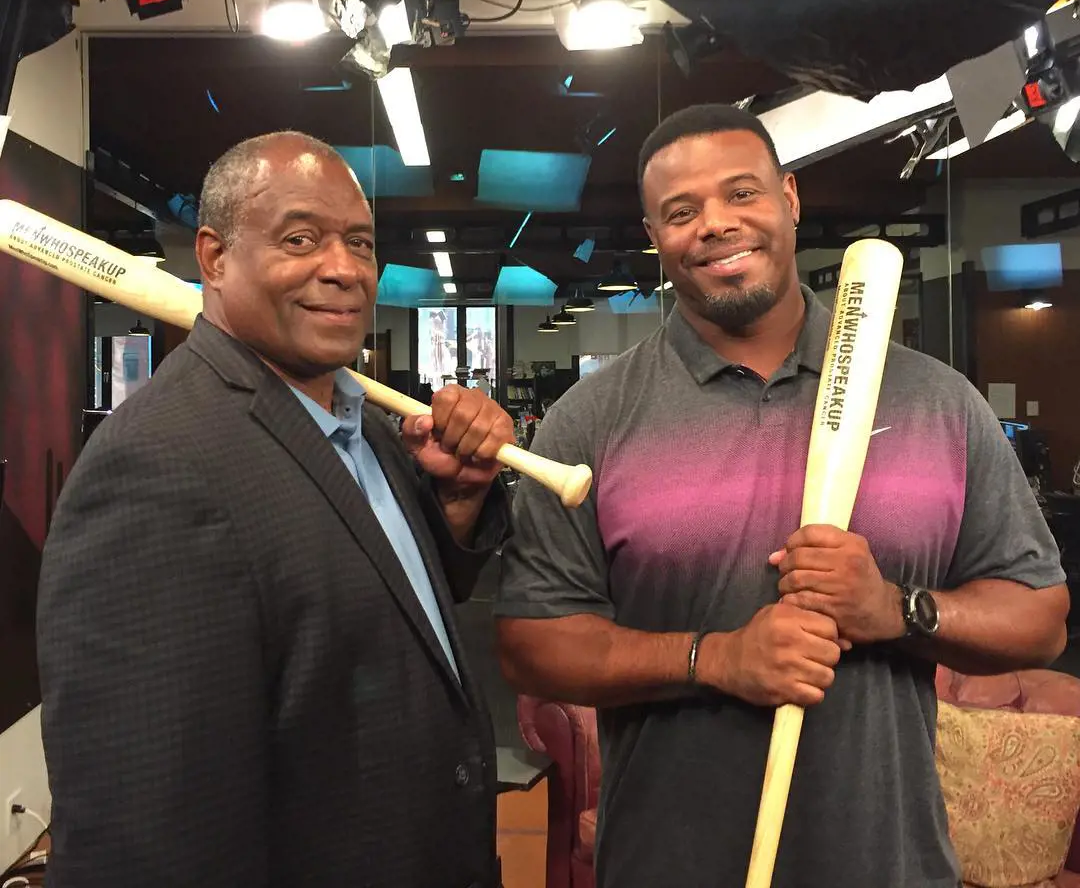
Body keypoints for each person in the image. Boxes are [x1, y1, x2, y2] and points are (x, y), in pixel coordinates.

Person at [494, 104, 1069, 888]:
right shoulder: (591, 419)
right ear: (655, 236)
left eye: (742, 194)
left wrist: (894, 610)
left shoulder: (938, 400)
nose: (716, 224)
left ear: (789, 199)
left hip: (891, 866)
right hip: (666, 865)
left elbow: (1039, 619)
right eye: (682, 211)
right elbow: (533, 642)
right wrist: (713, 658)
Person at [37, 132, 516, 888]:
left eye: (359, 243)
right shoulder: (156, 467)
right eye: (301, 238)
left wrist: (455, 504)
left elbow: (372, 613)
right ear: (215, 257)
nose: (342, 268)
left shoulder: (365, 432)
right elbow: (140, 831)